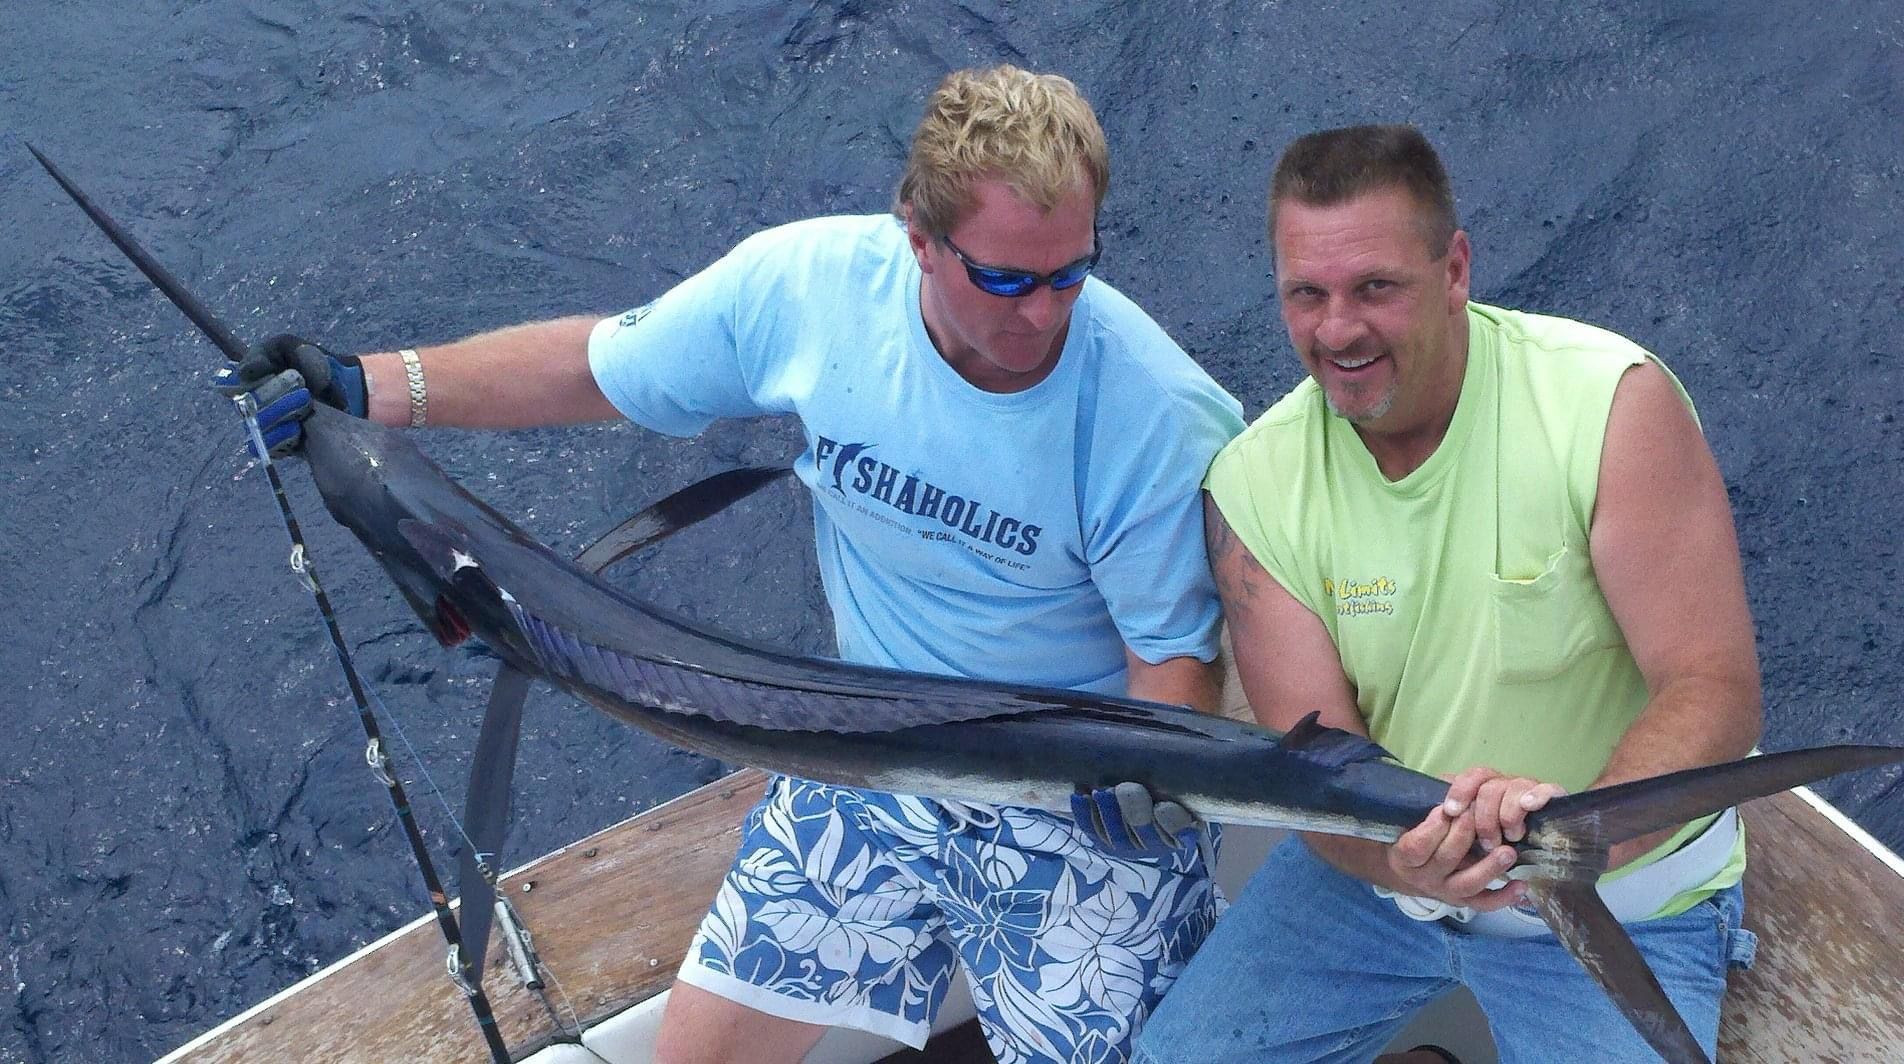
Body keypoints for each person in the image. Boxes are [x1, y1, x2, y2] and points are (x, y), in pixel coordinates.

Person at [224, 65, 1244, 1064]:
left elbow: (1173, 667)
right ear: (918, 239)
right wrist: (364, 388)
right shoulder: (810, 287)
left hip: (1070, 793)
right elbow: (599, 367)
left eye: (1071, 271)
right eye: (1007, 278)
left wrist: (1135, 787)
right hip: (863, 751)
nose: (1043, 311)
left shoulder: (1154, 413)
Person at [1132, 124, 1763, 1064]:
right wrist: (1403, 862)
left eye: (1375, 287)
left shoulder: (1610, 406)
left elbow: (1711, 684)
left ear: (1456, 268)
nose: (1337, 329)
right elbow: (1321, 772)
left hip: (1628, 892)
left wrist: (1570, 838)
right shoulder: (1250, 488)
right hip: (1379, 889)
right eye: (1307, 293)